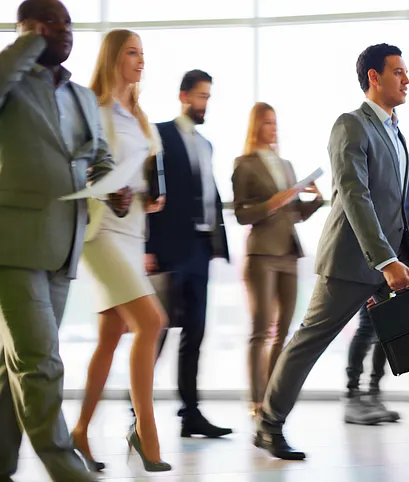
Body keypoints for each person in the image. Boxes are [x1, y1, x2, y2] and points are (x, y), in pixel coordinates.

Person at [253, 43, 409, 467]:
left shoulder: (395, 131)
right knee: (310, 340)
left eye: (406, 72)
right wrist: (384, 260)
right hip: (352, 260)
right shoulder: (351, 125)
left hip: (392, 261)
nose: (406, 79)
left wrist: (401, 258)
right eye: (398, 72)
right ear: (374, 77)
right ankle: (269, 424)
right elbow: (356, 196)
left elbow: (397, 203)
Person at [0, 1, 131, 480]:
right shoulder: (11, 80)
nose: (66, 31)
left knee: (16, 366)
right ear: (27, 28)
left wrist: (114, 186)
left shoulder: (79, 96)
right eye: (52, 22)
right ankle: (66, 469)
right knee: (41, 362)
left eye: (69, 23)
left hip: (63, 245)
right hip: (12, 245)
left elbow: (98, 157)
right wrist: (27, 44)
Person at [70, 29, 171, 473]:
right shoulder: (93, 108)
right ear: (113, 56)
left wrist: (150, 195)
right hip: (101, 232)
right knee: (152, 321)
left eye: (143, 53)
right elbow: (80, 169)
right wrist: (106, 188)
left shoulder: (140, 115)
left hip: (133, 234)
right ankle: (147, 431)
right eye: (132, 52)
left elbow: (142, 172)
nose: (141, 60)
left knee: (110, 338)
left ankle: (79, 430)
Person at [146, 69, 232, 438]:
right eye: (201, 96)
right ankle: (139, 410)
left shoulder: (206, 144)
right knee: (157, 331)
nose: (205, 103)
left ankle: (190, 412)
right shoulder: (160, 134)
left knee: (194, 332)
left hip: (199, 249)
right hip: (167, 250)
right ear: (184, 96)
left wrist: (216, 243)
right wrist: (147, 247)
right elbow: (150, 192)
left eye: (208, 96)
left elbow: (209, 194)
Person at [232, 102, 324, 419]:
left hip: (288, 252)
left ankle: (272, 397)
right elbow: (242, 214)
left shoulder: (286, 165)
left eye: (275, 123)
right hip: (261, 254)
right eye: (267, 123)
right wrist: (272, 203)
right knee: (261, 330)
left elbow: (295, 213)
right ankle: (255, 401)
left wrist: (317, 199)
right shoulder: (243, 164)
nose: (274, 128)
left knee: (283, 331)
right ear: (256, 126)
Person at [343, 154, 409, 425]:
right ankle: (353, 397)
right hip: (375, 254)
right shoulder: (374, 159)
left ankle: (373, 393)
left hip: (401, 256)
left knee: (388, 326)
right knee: (368, 324)